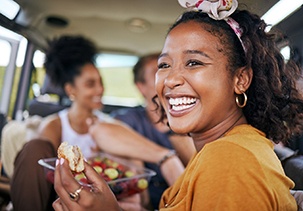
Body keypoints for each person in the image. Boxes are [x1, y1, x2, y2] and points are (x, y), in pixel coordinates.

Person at [53, 0, 303, 210]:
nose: (170, 79)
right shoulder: (216, 152)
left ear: (241, 79)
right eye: (164, 65)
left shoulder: (230, 158)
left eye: (194, 62)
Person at [10, 35, 116, 211]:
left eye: (101, 82)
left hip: (103, 198)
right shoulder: (55, 125)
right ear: (70, 90)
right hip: (60, 196)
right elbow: (40, 165)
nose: (100, 89)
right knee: (35, 147)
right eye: (91, 84)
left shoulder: (110, 124)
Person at [111, 53, 195, 209]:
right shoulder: (130, 119)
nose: (169, 77)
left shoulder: (190, 121)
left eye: (170, 68)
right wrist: (166, 158)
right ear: (141, 87)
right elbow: (102, 130)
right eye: (160, 70)